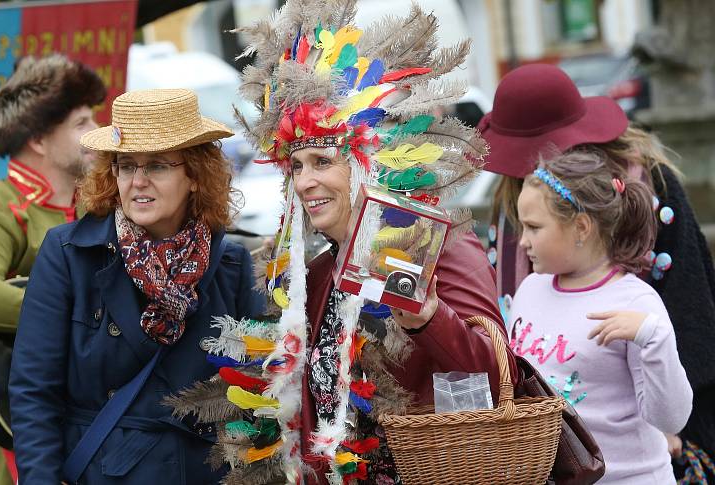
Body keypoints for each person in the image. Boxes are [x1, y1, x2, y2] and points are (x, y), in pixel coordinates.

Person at [168, 2, 521, 483]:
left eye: (322, 161)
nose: (305, 182)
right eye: (297, 166)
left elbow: (498, 377)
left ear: (364, 165)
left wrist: (428, 318)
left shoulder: (442, 249)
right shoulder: (315, 279)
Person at [8, 88, 264, 483]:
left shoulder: (230, 264)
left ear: (194, 176)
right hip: (103, 469)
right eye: (126, 166)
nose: (139, 182)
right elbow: (33, 391)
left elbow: (257, 395)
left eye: (158, 166)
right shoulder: (69, 254)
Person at [480, 63, 715, 481]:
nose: (528, 236)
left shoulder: (645, 184)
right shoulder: (517, 198)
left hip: (641, 441)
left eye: (536, 228)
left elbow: (691, 304)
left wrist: (673, 426)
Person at [0, 54, 105, 485]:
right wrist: (77, 309)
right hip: (33, 421)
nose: (97, 134)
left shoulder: (98, 204)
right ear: (38, 138)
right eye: (81, 123)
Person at [510, 149, 693, 483]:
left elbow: (672, 419)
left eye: (534, 227)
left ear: (581, 226)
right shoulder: (530, 289)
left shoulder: (635, 302)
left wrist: (655, 339)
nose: (523, 241)